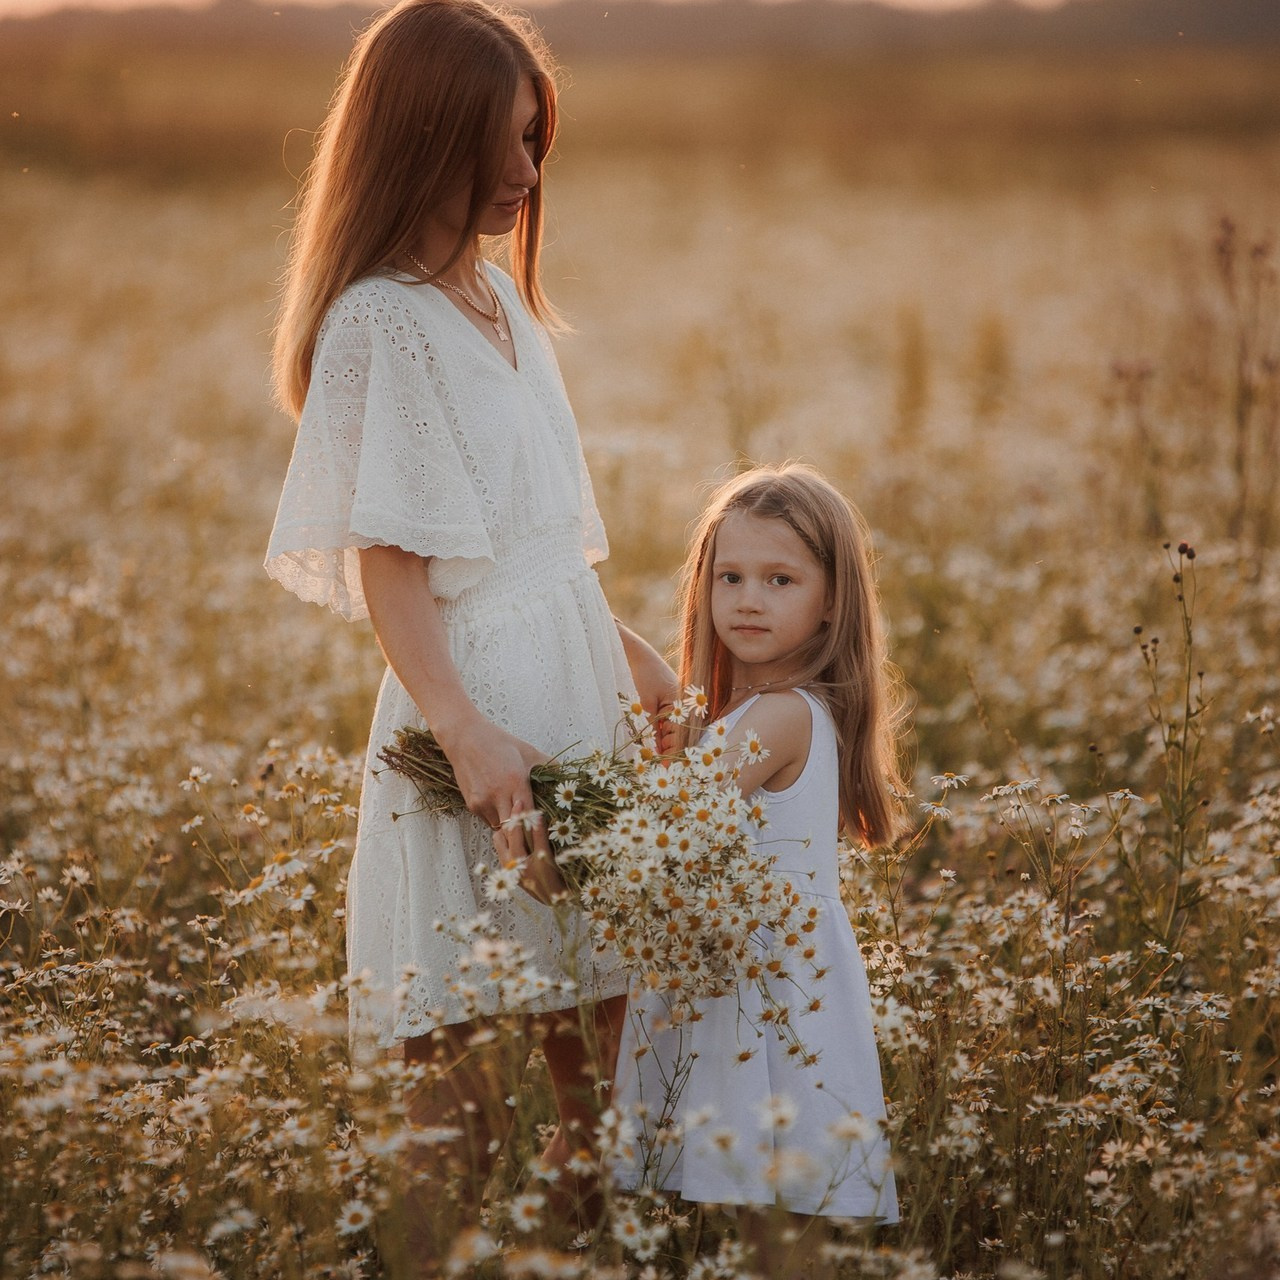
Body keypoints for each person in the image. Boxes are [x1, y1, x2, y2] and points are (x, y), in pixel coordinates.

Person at [263, 0, 675, 1262]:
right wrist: (469, 732)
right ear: (416, 135)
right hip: (474, 723)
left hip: (572, 689)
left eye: (536, 141)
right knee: (451, 1088)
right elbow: (392, 561)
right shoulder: (381, 318)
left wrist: (634, 656)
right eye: (499, 142)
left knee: (600, 1078)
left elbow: (529, 537)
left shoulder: (500, 304)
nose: (525, 172)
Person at [612, 462, 903, 1274]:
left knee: (779, 1236)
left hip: (770, 1000)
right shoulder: (755, 714)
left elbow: (662, 824)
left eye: (780, 579)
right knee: (761, 1229)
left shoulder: (779, 716)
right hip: (751, 978)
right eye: (729, 577)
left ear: (832, 600)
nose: (747, 599)